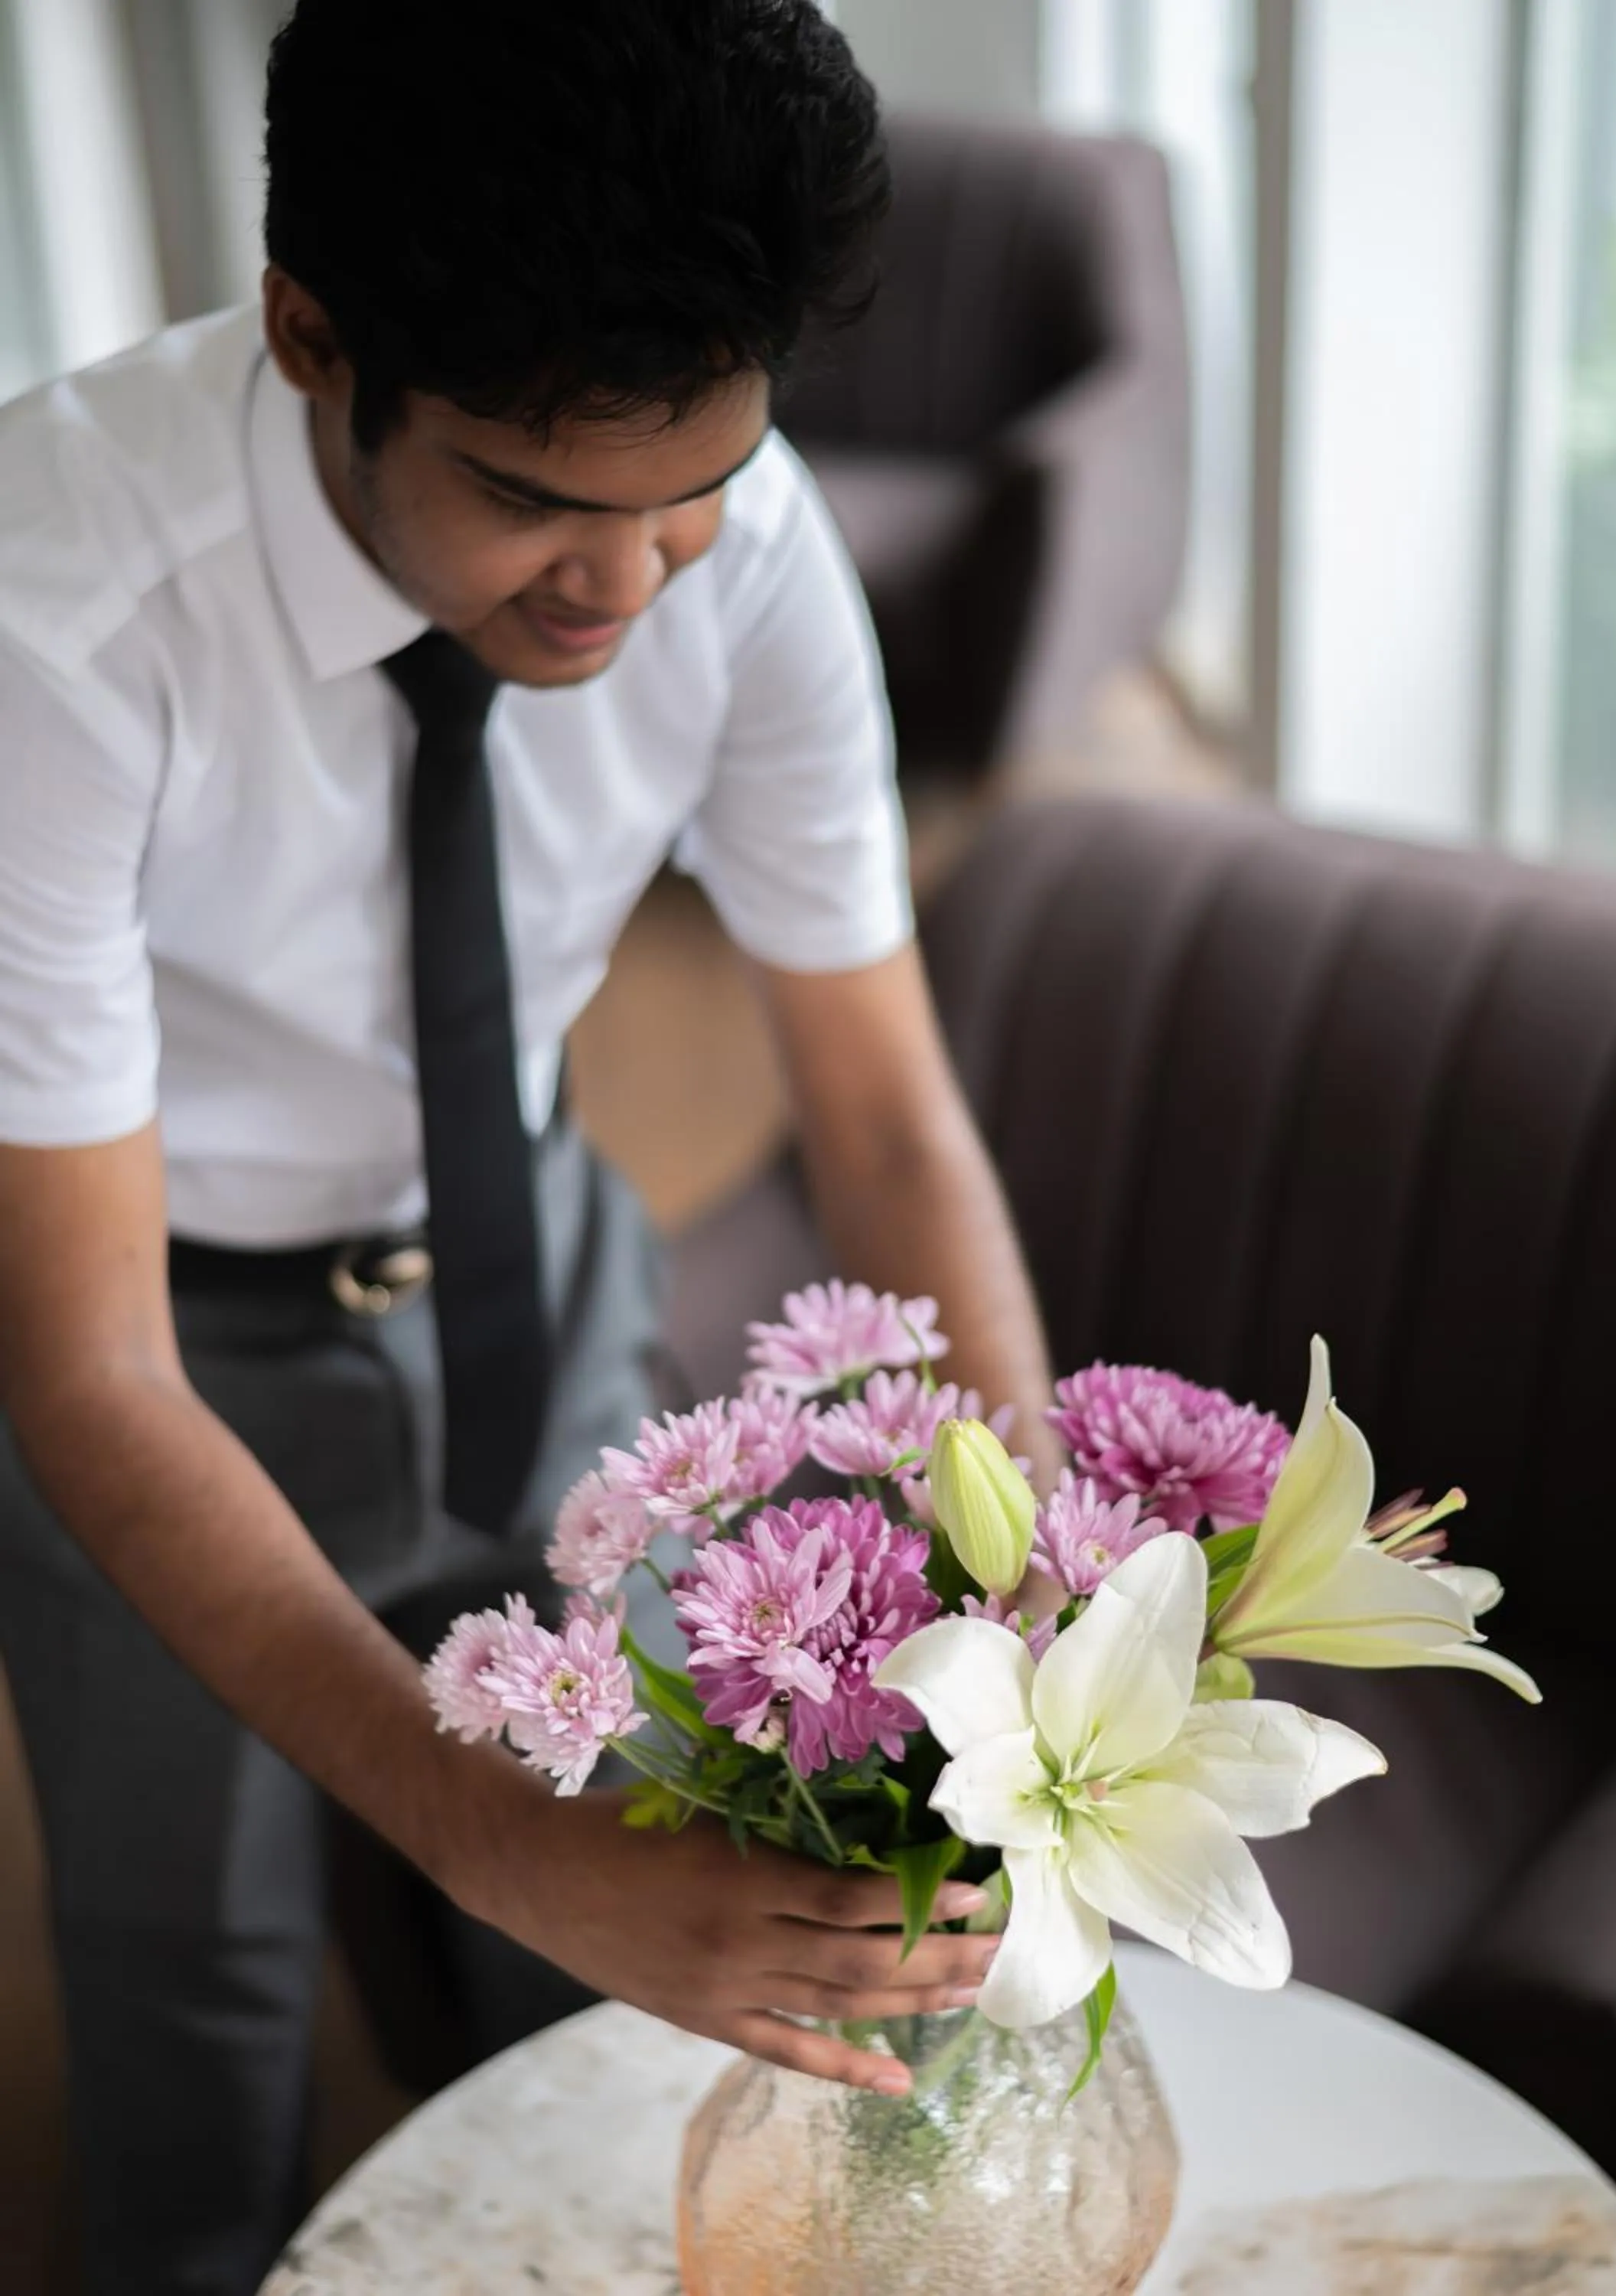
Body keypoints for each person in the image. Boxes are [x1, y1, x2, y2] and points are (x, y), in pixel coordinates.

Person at [0, 3, 1060, 2289]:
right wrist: (499, 1841)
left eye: (686, 496)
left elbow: (883, 1114)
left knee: (619, 1931)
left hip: (542, 1263)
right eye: (529, 501)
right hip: (166, 1337)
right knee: (195, 1978)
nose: (622, 587)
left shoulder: (747, 552)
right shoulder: (48, 616)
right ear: (312, 335)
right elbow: (85, 1366)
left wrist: (1033, 1591)